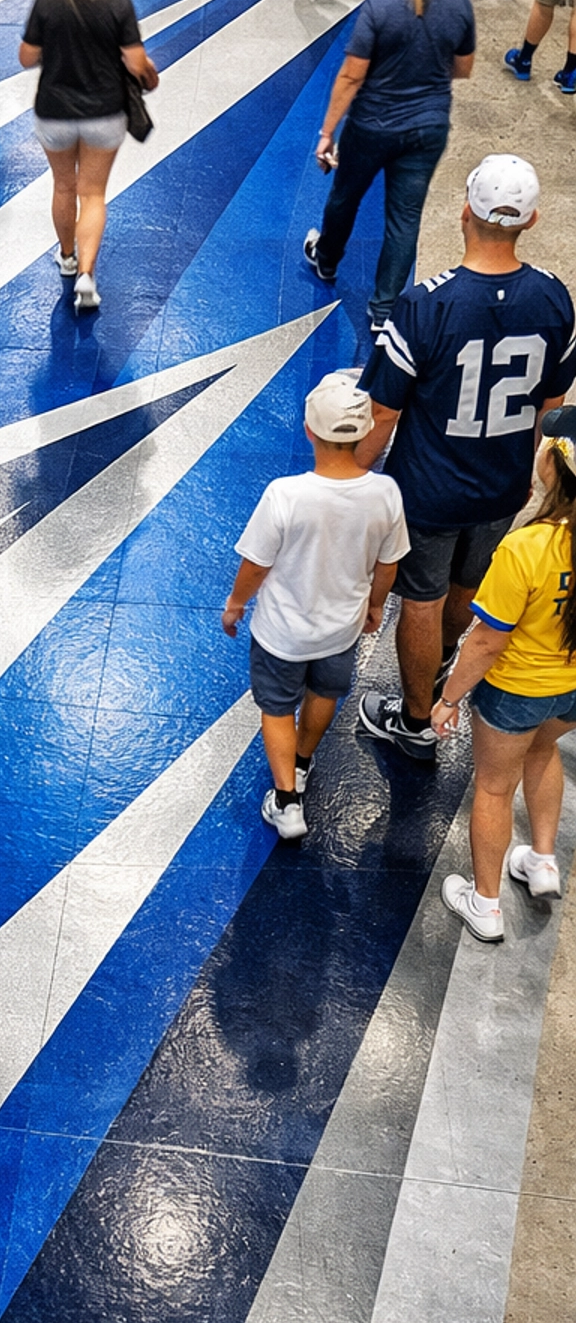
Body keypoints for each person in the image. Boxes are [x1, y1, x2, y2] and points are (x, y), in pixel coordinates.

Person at [355, 153, 573, 764]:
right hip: (502, 483)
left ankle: (417, 718)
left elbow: (383, 416)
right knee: (466, 587)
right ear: (530, 221)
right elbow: (551, 404)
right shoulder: (556, 299)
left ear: (464, 213)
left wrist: (355, 483)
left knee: (418, 601)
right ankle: (445, 669)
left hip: (428, 487)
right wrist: (518, 464)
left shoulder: (426, 306)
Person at [223, 374, 408, 840]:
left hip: (282, 634)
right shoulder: (386, 494)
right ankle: (303, 766)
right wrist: (375, 606)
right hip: (340, 631)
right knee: (323, 695)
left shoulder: (285, 495)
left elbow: (256, 564)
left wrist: (236, 603)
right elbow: (388, 564)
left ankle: (287, 803)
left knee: (278, 707)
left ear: (309, 431)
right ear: (366, 432)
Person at [432, 432, 576, 936]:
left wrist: (448, 698)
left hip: (516, 689)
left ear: (554, 470)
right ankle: (541, 860)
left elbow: (487, 642)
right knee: (542, 754)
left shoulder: (526, 547)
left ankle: (485, 905)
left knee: (493, 789)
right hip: (571, 689)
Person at [305, 0, 473, 328]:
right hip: (429, 127)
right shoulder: (459, 6)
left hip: (372, 126)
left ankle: (326, 261)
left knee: (346, 196)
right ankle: (383, 310)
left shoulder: (380, 8)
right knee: (404, 217)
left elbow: (351, 75)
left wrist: (328, 132)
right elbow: (463, 69)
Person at [18, 0, 157, 315]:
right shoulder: (119, 5)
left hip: (54, 111)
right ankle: (88, 276)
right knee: (92, 193)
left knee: (63, 187)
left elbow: (26, 57)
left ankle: (67, 258)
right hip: (104, 112)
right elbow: (135, 63)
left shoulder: (47, 2)